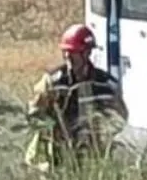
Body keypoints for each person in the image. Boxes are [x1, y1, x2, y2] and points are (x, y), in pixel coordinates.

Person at [24, 24, 128, 171]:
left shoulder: (106, 85)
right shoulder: (52, 82)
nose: (67, 56)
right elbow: (33, 114)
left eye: (73, 52)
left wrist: (101, 131)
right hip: (57, 160)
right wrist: (52, 127)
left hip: (94, 161)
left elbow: (120, 117)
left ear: (87, 53)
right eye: (65, 52)